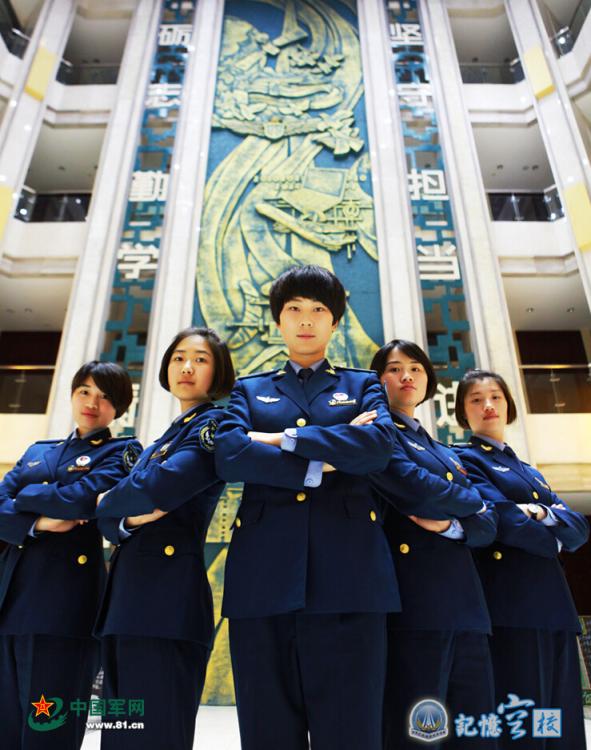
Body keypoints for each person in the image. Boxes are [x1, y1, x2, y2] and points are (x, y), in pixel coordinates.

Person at [214, 264, 399, 750]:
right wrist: (329, 455)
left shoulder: (363, 385)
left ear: (334, 322)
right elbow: (230, 455)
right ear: (278, 320)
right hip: (263, 579)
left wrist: (281, 438)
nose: (305, 319)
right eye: (294, 308)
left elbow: (377, 448)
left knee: (351, 731)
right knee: (268, 731)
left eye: (318, 309)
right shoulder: (249, 389)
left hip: (350, 578)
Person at [94, 326, 235, 750]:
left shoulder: (215, 424)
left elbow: (161, 487)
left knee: (156, 733)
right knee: (120, 736)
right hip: (127, 602)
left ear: (218, 372)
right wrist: (123, 515)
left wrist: (108, 501)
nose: (186, 367)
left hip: (166, 603)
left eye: (200, 359)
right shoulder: (162, 440)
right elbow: (111, 521)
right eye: (178, 358)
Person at [0, 361, 138, 750]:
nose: (92, 403)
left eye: (105, 397)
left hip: (64, 608)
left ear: (119, 407)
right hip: (11, 602)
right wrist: (40, 522)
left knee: (48, 731)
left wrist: (25, 497)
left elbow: (80, 501)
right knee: (6, 729)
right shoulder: (38, 450)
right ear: (72, 395)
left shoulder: (122, 452)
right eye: (84, 392)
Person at [369, 340, 498, 749]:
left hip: (467, 607)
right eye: (394, 369)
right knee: (419, 735)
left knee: (475, 733)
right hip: (415, 606)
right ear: (377, 381)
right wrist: (472, 502)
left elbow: (488, 526)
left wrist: (452, 526)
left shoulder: (444, 450)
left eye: (416, 368)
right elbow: (416, 492)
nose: (406, 376)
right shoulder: (378, 437)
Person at [454, 369, 589, 749]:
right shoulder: (465, 459)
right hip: (512, 607)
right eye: (476, 399)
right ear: (463, 411)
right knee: (525, 722)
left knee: (561, 725)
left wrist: (542, 513)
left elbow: (579, 529)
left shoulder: (529, 471)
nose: (488, 405)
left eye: (495, 396)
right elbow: (503, 519)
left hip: (555, 607)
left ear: (509, 404)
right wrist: (555, 539)